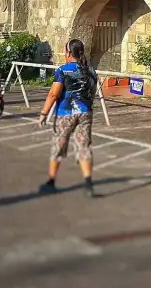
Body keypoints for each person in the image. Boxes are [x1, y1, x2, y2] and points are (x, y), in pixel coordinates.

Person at [36, 39, 96, 197]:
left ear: (69, 53)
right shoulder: (90, 70)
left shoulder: (63, 70)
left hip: (66, 112)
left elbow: (54, 94)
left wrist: (44, 113)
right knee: (84, 146)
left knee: (59, 144)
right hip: (85, 112)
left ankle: (51, 181)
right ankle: (88, 182)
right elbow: (93, 91)